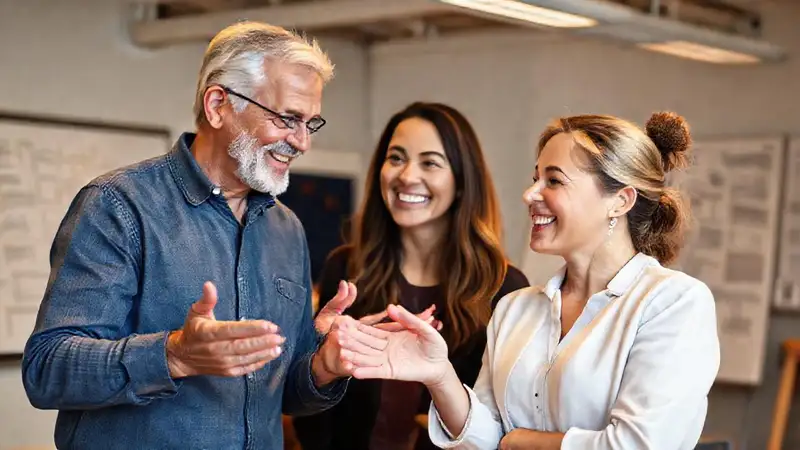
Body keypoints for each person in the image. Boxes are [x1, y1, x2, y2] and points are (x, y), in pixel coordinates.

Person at [21, 21, 386, 450]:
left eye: (311, 123)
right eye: (288, 118)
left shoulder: (286, 228)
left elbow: (281, 395)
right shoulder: (118, 206)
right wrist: (174, 355)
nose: (302, 142)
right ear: (218, 105)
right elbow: (47, 370)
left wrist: (322, 366)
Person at [340, 112, 722, 450]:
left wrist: (524, 441)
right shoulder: (516, 308)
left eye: (554, 181)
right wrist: (439, 376)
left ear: (619, 201)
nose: (529, 194)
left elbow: (639, 444)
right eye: (535, 178)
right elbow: (485, 439)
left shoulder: (674, 303)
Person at [292, 102, 530, 450]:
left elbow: (504, 424)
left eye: (430, 162)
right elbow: (311, 414)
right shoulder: (346, 269)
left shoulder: (504, 288)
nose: (406, 176)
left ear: (462, 181)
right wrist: (320, 367)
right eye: (396, 158)